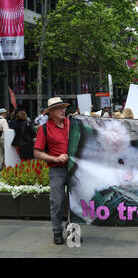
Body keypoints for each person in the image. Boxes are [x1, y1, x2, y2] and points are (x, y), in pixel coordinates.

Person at [33, 97, 71, 245]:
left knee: (75, 204)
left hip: (74, 170)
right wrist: (55, 159)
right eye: (59, 108)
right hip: (57, 170)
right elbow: (37, 152)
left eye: (64, 107)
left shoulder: (72, 124)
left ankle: (71, 230)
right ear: (51, 112)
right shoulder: (44, 128)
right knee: (56, 202)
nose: (63, 110)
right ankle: (57, 231)